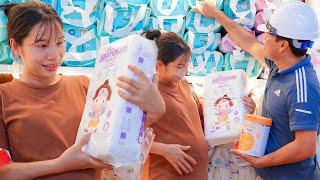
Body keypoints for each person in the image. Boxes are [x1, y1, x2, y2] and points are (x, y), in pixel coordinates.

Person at [0, 1, 165, 179]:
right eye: (42, 45)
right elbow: (3, 171)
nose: (54, 55)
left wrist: (157, 108)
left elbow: (121, 133)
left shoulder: (87, 86)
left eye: (59, 43)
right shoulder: (4, 96)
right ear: (16, 47)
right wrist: (60, 164)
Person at [194, 1, 320, 179]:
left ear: (283, 45)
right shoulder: (280, 65)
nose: (264, 37)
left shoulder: (303, 87)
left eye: (269, 33)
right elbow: (249, 43)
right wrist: (216, 14)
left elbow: (305, 146)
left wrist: (263, 161)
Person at [141, 30, 256, 180]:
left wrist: (243, 108)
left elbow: (211, 117)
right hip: (163, 174)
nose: (185, 71)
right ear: (160, 65)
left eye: (187, 65)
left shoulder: (184, 85)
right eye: (179, 66)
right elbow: (131, 136)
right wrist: (164, 150)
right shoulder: (148, 92)